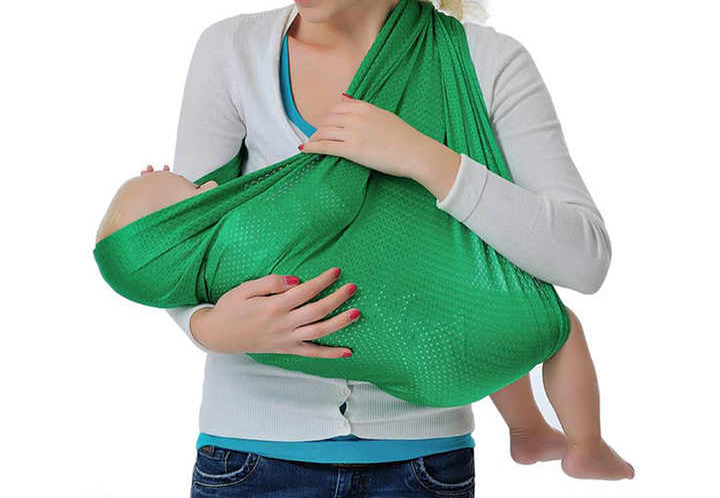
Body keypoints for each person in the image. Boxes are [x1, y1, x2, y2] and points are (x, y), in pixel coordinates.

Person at [161, 0, 630, 494]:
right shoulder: (231, 55)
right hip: (248, 456)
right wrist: (207, 328)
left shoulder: (486, 65)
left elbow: (584, 259)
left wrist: (425, 158)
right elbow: (178, 239)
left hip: (422, 464)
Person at [97, 162, 634, 484]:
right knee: (553, 324)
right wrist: (210, 329)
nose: (210, 183)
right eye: (191, 191)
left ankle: (529, 431)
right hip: (410, 379)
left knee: (475, 305)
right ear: (180, 226)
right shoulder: (245, 237)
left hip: (421, 401)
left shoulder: (223, 287)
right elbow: (331, 191)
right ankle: (585, 445)